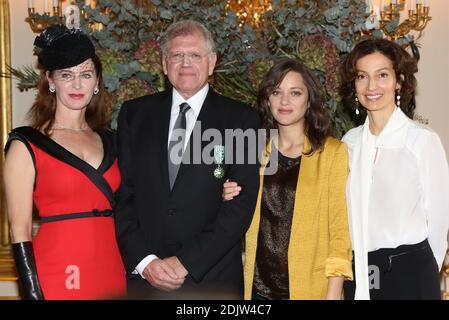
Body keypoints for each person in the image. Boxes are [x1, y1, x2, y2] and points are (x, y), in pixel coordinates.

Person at [115, 20, 260, 299]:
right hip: (146, 279)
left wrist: (185, 262)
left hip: (210, 278)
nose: (185, 64)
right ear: (164, 62)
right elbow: (123, 195)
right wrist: (145, 262)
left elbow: (241, 205)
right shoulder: (134, 115)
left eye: (195, 55)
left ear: (212, 62)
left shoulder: (243, 119)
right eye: (177, 55)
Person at [3, 25, 126, 300]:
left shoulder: (114, 142)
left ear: (97, 83)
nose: (77, 84)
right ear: (50, 80)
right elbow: (19, 228)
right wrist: (32, 292)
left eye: (86, 74)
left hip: (112, 270)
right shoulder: (26, 145)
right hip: (58, 273)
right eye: (66, 75)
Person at [222, 59, 353, 300]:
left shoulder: (333, 153)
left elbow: (339, 234)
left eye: (295, 93)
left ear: (309, 99)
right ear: (267, 99)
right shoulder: (255, 151)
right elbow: (234, 212)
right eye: (276, 92)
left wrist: (333, 295)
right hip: (258, 290)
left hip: (311, 290)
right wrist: (226, 195)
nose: (284, 101)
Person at [340, 38, 449, 300]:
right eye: (362, 77)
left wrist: (421, 273)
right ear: (354, 85)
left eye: (382, 75)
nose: (371, 86)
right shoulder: (349, 143)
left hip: (410, 271)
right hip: (360, 271)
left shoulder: (421, 140)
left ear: (399, 81)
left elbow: (439, 220)